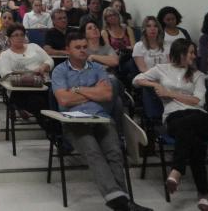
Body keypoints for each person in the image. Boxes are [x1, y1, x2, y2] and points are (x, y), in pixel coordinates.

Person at [52, 34, 152, 211]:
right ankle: (122, 202)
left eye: (85, 46)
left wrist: (77, 90)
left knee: (114, 152)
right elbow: (64, 100)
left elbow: (107, 95)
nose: (83, 50)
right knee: (93, 151)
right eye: (78, 47)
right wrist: (93, 92)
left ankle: (121, 201)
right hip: (74, 122)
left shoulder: (97, 68)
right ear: (68, 50)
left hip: (101, 118)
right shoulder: (60, 71)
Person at [133, 39, 208, 211]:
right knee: (193, 140)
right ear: (179, 53)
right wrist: (155, 84)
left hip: (200, 117)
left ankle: (177, 170)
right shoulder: (161, 69)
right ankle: (203, 193)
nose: (194, 56)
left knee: (190, 124)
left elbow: (198, 102)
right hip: (174, 116)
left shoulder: (198, 75)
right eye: (190, 52)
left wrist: (169, 93)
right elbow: (136, 80)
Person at [0, 23, 53, 118]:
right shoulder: (5, 55)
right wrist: (30, 75)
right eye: (16, 35)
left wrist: (43, 67)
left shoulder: (34, 47)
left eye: (22, 35)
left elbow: (50, 60)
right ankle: (52, 128)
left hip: (43, 85)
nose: (19, 37)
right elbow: (6, 75)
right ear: (9, 38)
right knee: (39, 102)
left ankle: (53, 126)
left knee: (54, 97)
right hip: (20, 89)